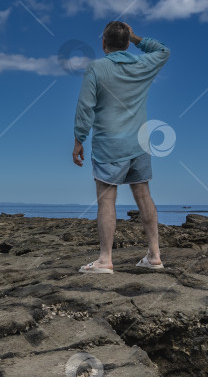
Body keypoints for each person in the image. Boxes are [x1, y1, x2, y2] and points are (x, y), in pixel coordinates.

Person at [72, 21, 170, 274]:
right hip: (139, 144)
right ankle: (155, 255)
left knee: (107, 200)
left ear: (103, 44)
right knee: (143, 195)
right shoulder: (142, 64)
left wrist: (79, 139)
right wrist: (138, 38)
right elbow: (163, 51)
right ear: (127, 43)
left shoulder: (96, 68)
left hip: (108, 145)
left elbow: (85, 107)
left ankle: (105, 260)